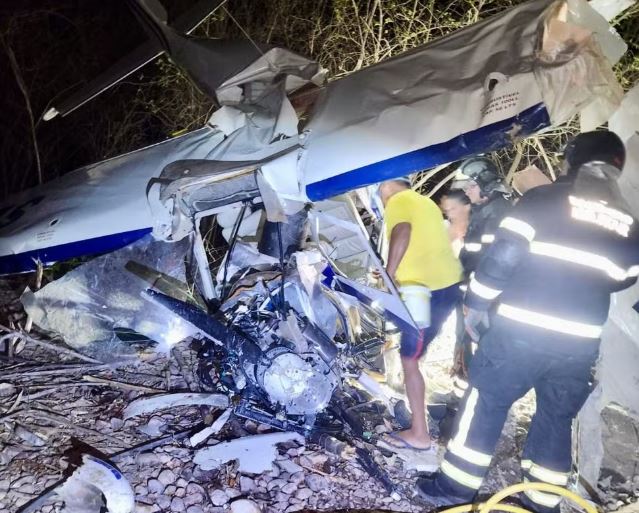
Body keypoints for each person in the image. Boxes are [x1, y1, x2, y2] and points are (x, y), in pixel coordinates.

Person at [417, 131, 639, 512]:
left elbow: (503, 258)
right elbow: (625, 277)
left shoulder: (543, 200)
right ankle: (542, 501)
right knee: (556, 418)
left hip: (520, 334)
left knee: (486, 402)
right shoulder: (628, 224)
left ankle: (455, 486)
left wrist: (475, 303)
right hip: (579, 346)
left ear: (573, 160)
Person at [377, 178, 463, 451]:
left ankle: (420, 434)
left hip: (428, 293)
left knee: (409, 359)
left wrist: (388, 274)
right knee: (414, 352)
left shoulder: (398, 201)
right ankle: (418, 414)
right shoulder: (424, 202)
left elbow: (402, 230)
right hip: (446, 286)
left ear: (386, 186)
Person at [456, 157, 511, 277]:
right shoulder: (483, 211)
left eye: (472, 186)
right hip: (470, 276)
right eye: (465, 188)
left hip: (482, 279)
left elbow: (493, 257)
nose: (467, 192)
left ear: (487, 184)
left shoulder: (498, 212)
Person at [441, 189, 472, 257]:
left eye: (453, 209)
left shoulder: (477, 230)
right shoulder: (443, 227)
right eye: (447, 210)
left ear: (467, 207)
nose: (449, 214)